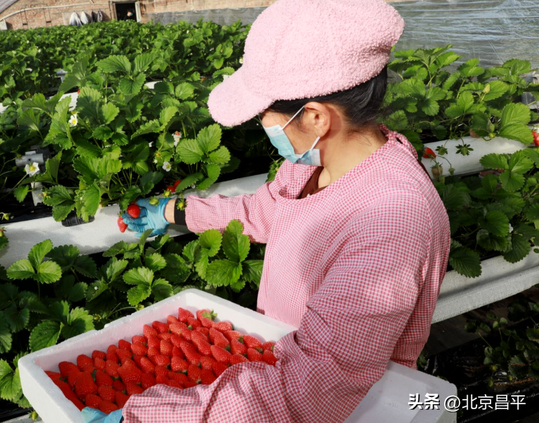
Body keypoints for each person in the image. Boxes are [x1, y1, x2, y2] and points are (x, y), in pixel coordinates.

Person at [85, 0, 451, 421]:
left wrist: (152, 416)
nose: (263, 125)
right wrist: (174, 212)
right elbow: (265, 212)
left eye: (264, 114)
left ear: (314, 117)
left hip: (349, 406)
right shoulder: (317, 163)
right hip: (277, 367)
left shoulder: (391, 221)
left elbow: (313, 388)